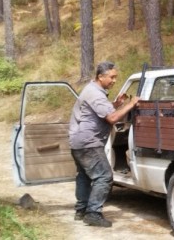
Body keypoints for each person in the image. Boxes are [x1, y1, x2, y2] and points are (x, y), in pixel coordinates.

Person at [68, 61, 140, 227]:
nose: (114, 81)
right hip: (89, 143)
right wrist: (131, 104)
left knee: (84, 177)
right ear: (100, 77)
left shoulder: (92, 90)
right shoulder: (95, 94)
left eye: (115, 77)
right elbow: (112, 118)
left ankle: (81, 211)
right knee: (105, 176)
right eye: (112, 77)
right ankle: (93, 213)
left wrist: (115, 105)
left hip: (79, 142)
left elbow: (102, 111)